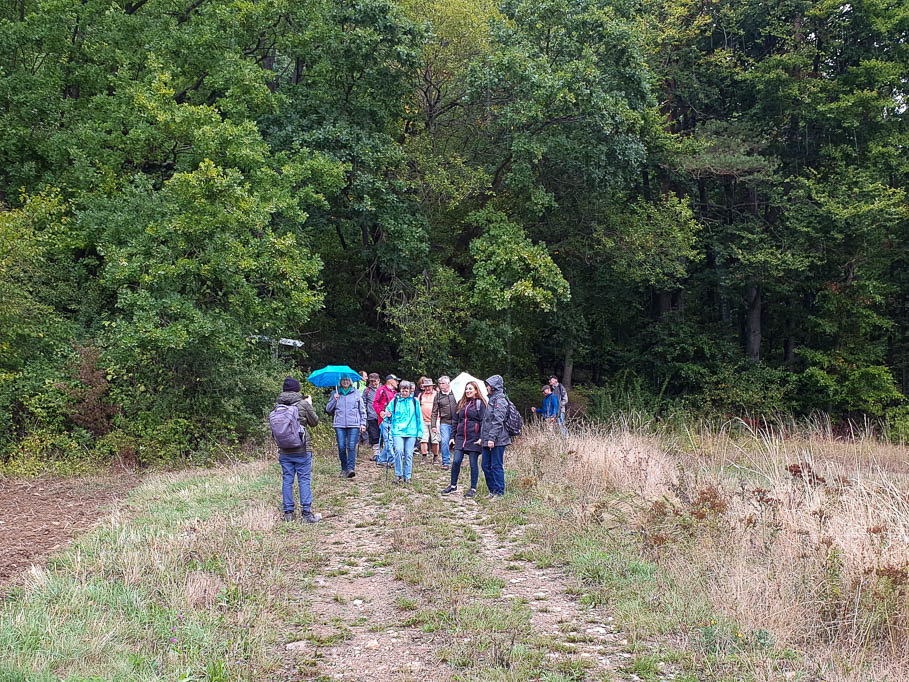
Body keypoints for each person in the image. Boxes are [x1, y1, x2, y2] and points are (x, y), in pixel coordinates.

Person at [274, 376, 321, 523]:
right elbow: (314, 422)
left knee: (287, 480)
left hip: (284, 449)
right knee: (304, 479)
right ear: (297, 389)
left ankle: (288, 514)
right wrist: (309, 404)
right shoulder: (303, 404)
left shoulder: (278, 406)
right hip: (302, 448)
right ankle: (306, 514)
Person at [440, 381, 486, 498]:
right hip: (461, 437)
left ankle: (473, 488)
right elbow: (455, 421)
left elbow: (483, 422)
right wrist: (452, 437)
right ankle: (453, 485)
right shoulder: (461, 403)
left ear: (476, 390)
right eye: (466, 389)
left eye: (470, 389)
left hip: (474, 438)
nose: (468, 391)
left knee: (472, 463)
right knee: (456, 461)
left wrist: (481, 437)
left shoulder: (480, 404)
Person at [326, 376, 366, 479]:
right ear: (340, 382)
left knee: (351, 446)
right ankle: (344, 469)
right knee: (341, 447)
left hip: (354, 424)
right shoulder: (335, 393)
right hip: (339, 424)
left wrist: (363, 423)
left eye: (347, 380)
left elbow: (362, 409)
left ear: (350, 382)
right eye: (343, 380)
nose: (345, 382)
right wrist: (334, 400)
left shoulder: (356, 393)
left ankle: (350, 469)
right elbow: (328, 409)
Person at [479, 374, 510, 499]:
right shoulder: (492, 399)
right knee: (485, 465)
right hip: (488, 439)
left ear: (494, 387)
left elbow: (498, 421)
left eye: (488, 385)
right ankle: (492, 491)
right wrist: (483, 437)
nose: (487, 387)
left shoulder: (500, 400)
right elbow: (486, 421)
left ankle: (499, 492)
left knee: (496, 466)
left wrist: (492, 438)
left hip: (498, 439)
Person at [388, 380, 423, 484]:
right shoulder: (394, 401)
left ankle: (407, 476)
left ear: (410, 391)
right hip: (398, 430)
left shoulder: (414, 401)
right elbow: (388, 413)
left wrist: (420, 432)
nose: (404, 392)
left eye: (406, 390)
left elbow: (419, 417)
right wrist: (387, 415)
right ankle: (398, 474)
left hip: (411, 431)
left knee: (408, 454)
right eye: (402, 390)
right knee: (398, 451)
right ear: (400, 390)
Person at [431, 375, 457, 469]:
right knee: (445, 441)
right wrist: (433, 425)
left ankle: (459, 460)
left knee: (458, 441)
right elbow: (434, 411)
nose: (441, 385)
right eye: (440, 383)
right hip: (444, 421)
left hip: (457, 421)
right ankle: (446, 462)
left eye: (443, 383)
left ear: (448, 384)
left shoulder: (455, 392)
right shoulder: (438, 395)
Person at [418, 378, 440, 463]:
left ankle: (435, 457)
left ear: (432, 386)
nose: (427, 388)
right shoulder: (421, 395)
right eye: (425, 386)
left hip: (435, 420)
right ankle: (424, 456)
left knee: (435, 440)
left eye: (429, 386)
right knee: (423, 440)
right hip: (423, 420)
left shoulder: (437, 394)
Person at [362, 372, 381, 459]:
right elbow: (363, 403)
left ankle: (384, 454)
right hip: (371, 416)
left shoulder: (383, 389)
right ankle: (376, 454)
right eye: (371, 381)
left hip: (382, 417)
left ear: (378, 380)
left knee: (384, 436)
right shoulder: (367, 390)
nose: (373, 383)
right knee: (374, 436)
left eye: (375, 381)